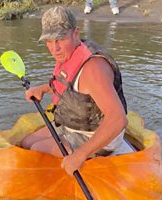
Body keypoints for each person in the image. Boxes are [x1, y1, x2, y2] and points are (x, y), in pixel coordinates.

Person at [21, 6, 131, 176]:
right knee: (27, 142)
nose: (54, 47)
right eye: (49, 40)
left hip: (96, 136)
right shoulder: (70, 53)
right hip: (74, 125)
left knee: (36, 149)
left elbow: (118, 119)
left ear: (75, 33)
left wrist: (80, 155)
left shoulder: (93, 69)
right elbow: (68, 84)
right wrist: (42, 89)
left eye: (60, 39)